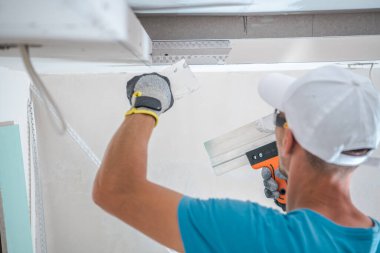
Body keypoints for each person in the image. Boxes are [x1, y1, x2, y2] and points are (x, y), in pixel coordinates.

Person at [92, 66, 380, 252]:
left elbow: (118, 190)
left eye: (277, 116)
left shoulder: (258, 235)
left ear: (288, 140)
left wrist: (148, 103)